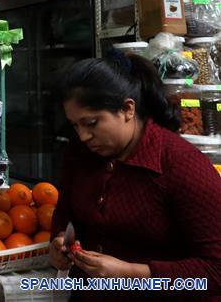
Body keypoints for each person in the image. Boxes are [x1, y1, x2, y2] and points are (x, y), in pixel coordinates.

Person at [50, 50, 221, 300]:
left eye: (92, 123)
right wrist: (59, 242)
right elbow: (66, 212)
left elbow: (216, 271)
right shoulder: (80, 155)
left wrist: (133, 274)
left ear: (128, 109)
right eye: (75, 125)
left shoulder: (181, 165)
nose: (83, 136)